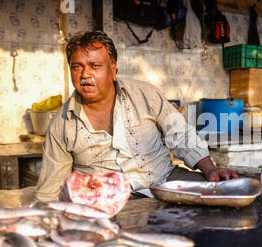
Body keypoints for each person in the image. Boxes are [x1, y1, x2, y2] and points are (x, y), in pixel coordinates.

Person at [35, 31, 238, 201]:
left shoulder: (144, 94)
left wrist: (210, 169)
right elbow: (50, 191)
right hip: (106, 202)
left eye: (95, 66)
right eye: (77, 67)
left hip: (165, 181)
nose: (85, 75)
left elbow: (181, 135)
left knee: (226, 195)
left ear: (113, 69)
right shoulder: (61, 125)